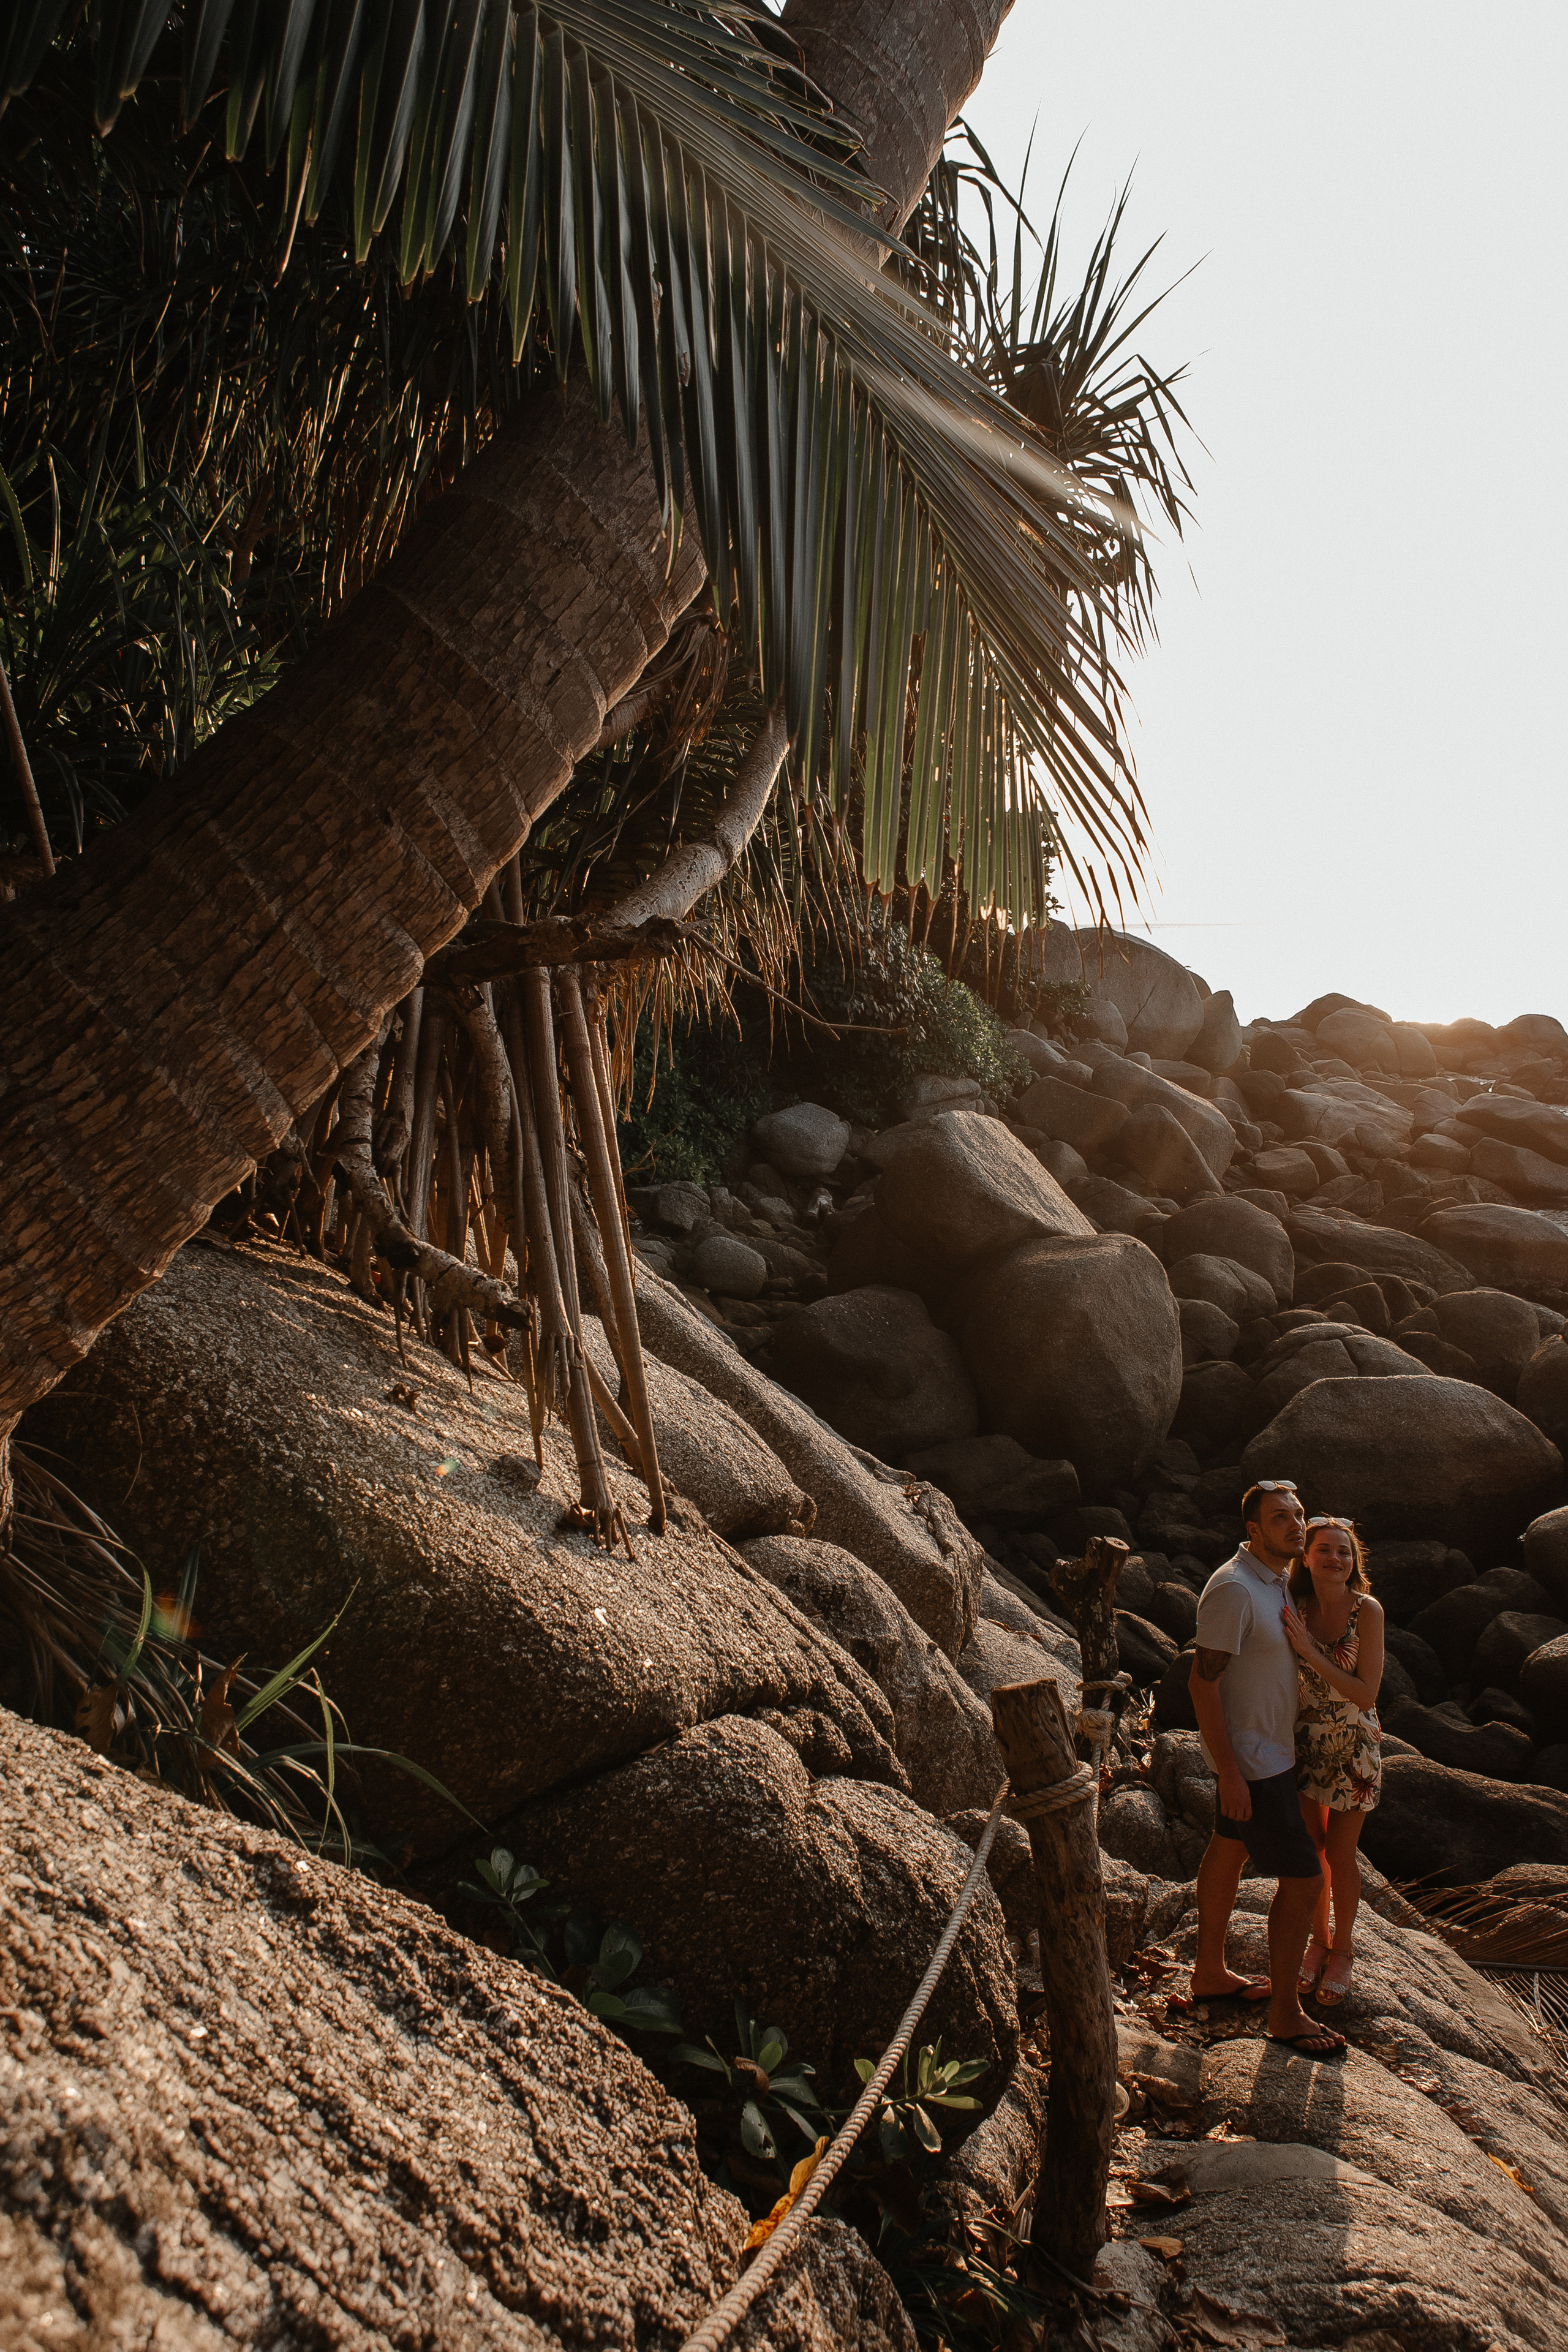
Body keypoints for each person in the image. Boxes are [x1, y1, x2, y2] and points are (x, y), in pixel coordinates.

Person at [1188, 1479, 1346, 2059]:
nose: (1295, 1525)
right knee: (1304, 1879)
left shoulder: (1277, 1581)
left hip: (1273, 1752)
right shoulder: (1233, 1590)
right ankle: (1285, 2013)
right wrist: (1229, 1772)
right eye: (1280, 1518)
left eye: (1299, 1515)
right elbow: (1201, 1683)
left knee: (1227, 1850)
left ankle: (1208, 1973)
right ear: (1252, 1529)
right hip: (1255, 1763)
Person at [1284, 1513, 1384, 2006]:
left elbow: (1366, 1694)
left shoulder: (1366, 1611)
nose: (1335, 1558)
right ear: (1306, 1557)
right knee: (1313, 1851)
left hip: (1353, 1745)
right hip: (1306, 1743)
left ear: (1354, 1561)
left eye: (1344, 1551)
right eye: (1324, 1549)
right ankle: (1317, 1941)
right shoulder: (1295, 1603)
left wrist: (1310, 1651)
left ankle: (1342, 1950)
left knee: (1341, 1854)